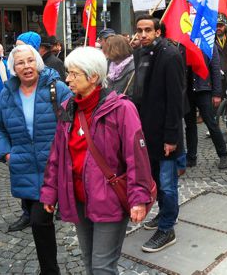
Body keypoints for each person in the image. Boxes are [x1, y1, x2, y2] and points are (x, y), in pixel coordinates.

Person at [41, 47, 153, 273]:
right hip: (79, 198)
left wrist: (139, 198)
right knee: (89, 261)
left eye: (74, 74)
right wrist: (50, 192)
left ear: (93, 77)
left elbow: (137, 157)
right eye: (68, 73)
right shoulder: (68, 108)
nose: (68, 79)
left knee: (102, 266)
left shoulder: (122, 109)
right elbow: (58, 155)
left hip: (109, 199)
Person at [0, 44, 71, 273]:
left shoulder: (57, 88)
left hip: (53, 166)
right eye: (20, 63)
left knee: (39, 220)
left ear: (37, 62)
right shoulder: (8, 93)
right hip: (24, 166)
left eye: (30, 61)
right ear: (13, 68)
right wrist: (7, 153)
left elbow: (72, 124)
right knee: (39, 221)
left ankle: (50, 270)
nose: (26, 66)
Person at [132, 15, 184, 253]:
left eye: (147, 30)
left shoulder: (170, 55)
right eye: (139, 30)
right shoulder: (141, 53)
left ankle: (167, 228)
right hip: (147, 131)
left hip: (165, 134)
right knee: (154, 181)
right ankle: (163, 215)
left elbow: (175, 100)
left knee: (167, 184)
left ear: (158, 32)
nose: (143, 35)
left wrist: (171, 138)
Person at [184, 45, 227, 170]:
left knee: (211, 123)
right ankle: (191, 157)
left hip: (203, 89)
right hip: (187, 90)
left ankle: (223, 155)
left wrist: (217, 93)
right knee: (190, 125)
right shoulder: (183, 43)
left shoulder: (208, 42)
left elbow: (215, 69)